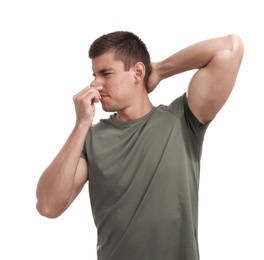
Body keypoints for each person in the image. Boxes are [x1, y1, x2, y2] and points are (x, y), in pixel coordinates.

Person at [36, 31, 244, 260]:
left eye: (106, 73)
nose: (95, 83)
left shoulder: (182, 120)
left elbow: (230, 48)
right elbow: (48, 206)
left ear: (137, 72)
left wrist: (162, 69)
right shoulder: (91, 138)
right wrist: (81, 123)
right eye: (94, 74)